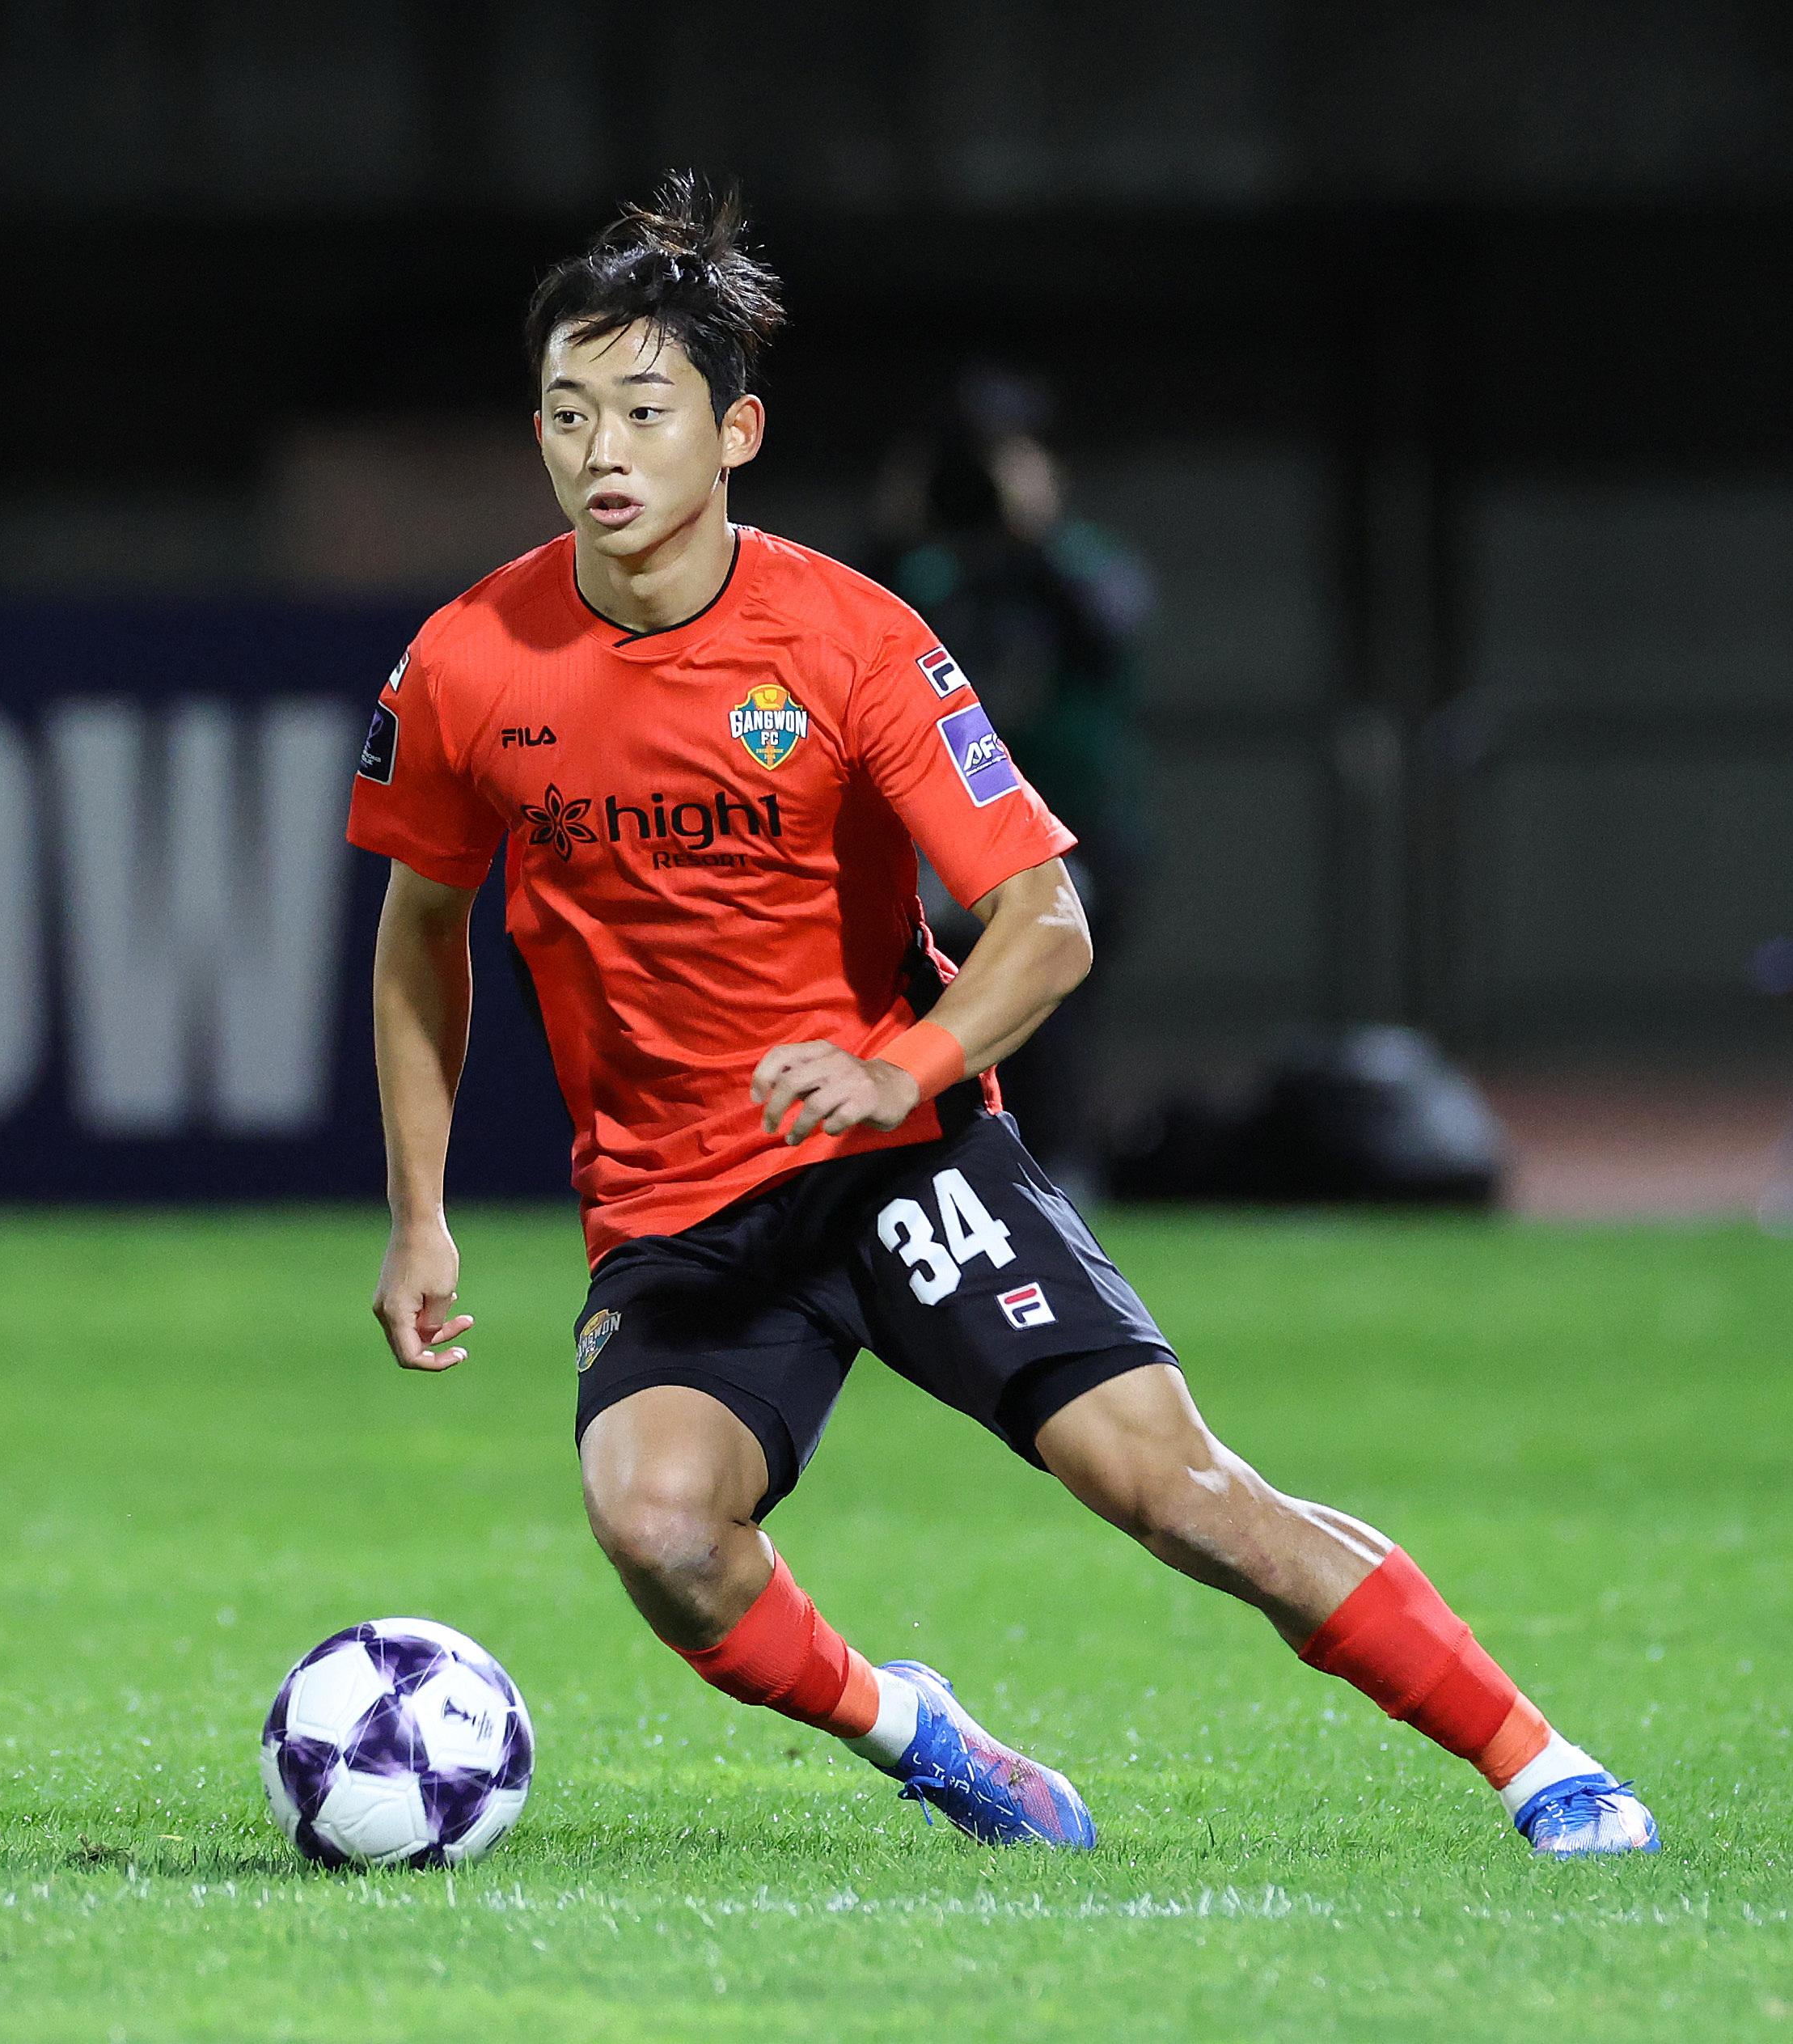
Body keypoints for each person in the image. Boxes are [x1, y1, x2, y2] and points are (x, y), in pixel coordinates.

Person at [349, 173, 1654, 1856]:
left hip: (904, 1157)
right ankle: (918, 1730)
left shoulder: (852, 638)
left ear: (734, 431)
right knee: (658, 1530)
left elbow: (1046, 921)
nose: (602, 446)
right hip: (675, 1206)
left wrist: (895, 1065)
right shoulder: (467, 664)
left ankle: (1544, 1764)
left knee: (1177, 1497)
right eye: (566, 410)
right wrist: (419, 1212)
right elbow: (419, 935)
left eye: (645, 409)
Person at [866, 373, 1153, 1201]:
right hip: (944, 830)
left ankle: (1061, 1170)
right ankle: (954, 1169)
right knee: (932, 994)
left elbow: (1109, 629)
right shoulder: (920, 571)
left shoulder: (1079, 565)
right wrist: (900, 522)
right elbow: (848, 631)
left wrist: (1032, 531)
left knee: (1055, 1009)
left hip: (1075, 822)